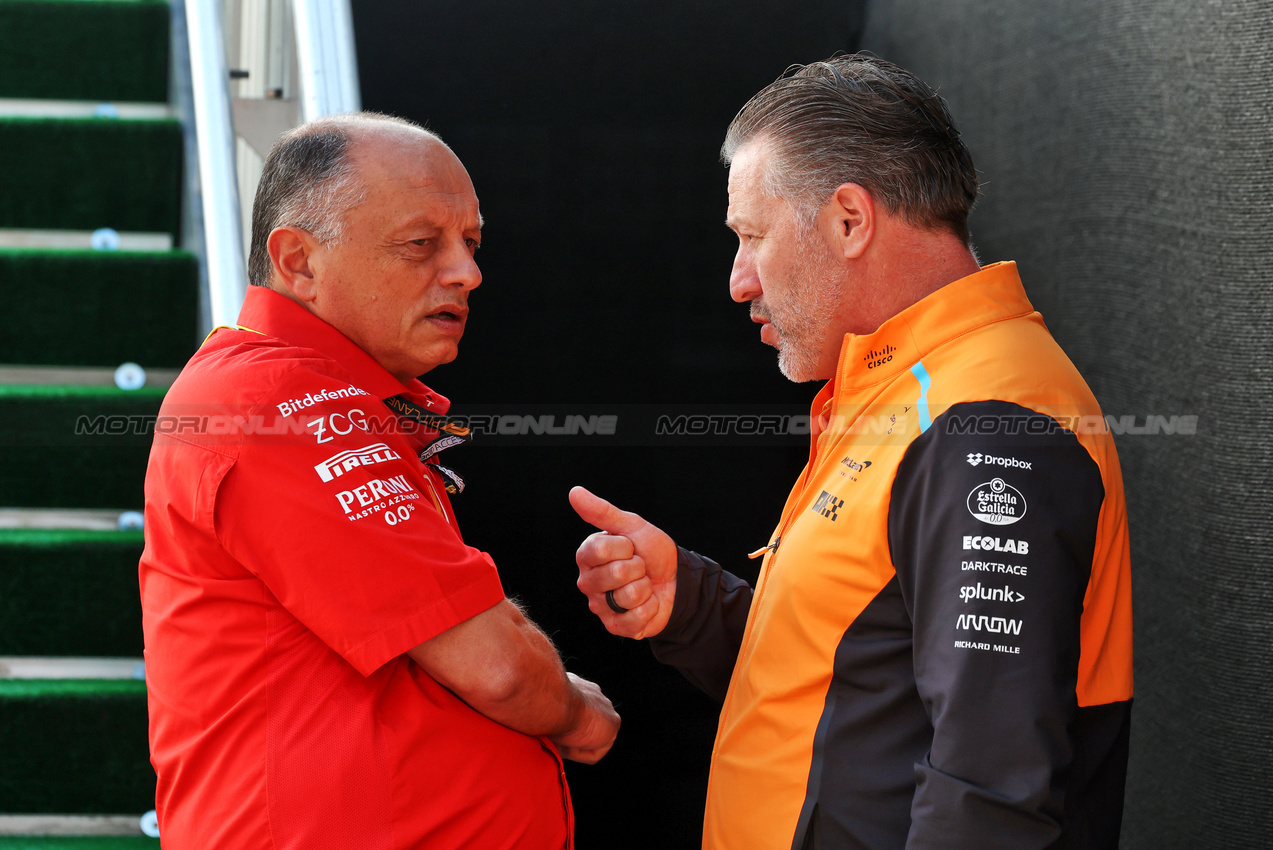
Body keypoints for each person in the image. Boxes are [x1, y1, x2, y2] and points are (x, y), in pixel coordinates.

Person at [570, 55, 1132, 849]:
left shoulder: (984, 425)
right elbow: (859, 686)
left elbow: (990, 795)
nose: (738, 281)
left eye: (752, 236)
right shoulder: (901, 389)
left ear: (848, 220)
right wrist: (692, 606)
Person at [140, 113, 619, 849]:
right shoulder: (280, 402)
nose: (467, 272)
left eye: (471, 243)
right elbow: (497, 669)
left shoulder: (296, 395)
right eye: (422, 244)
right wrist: (578, 712)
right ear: (297, 261)